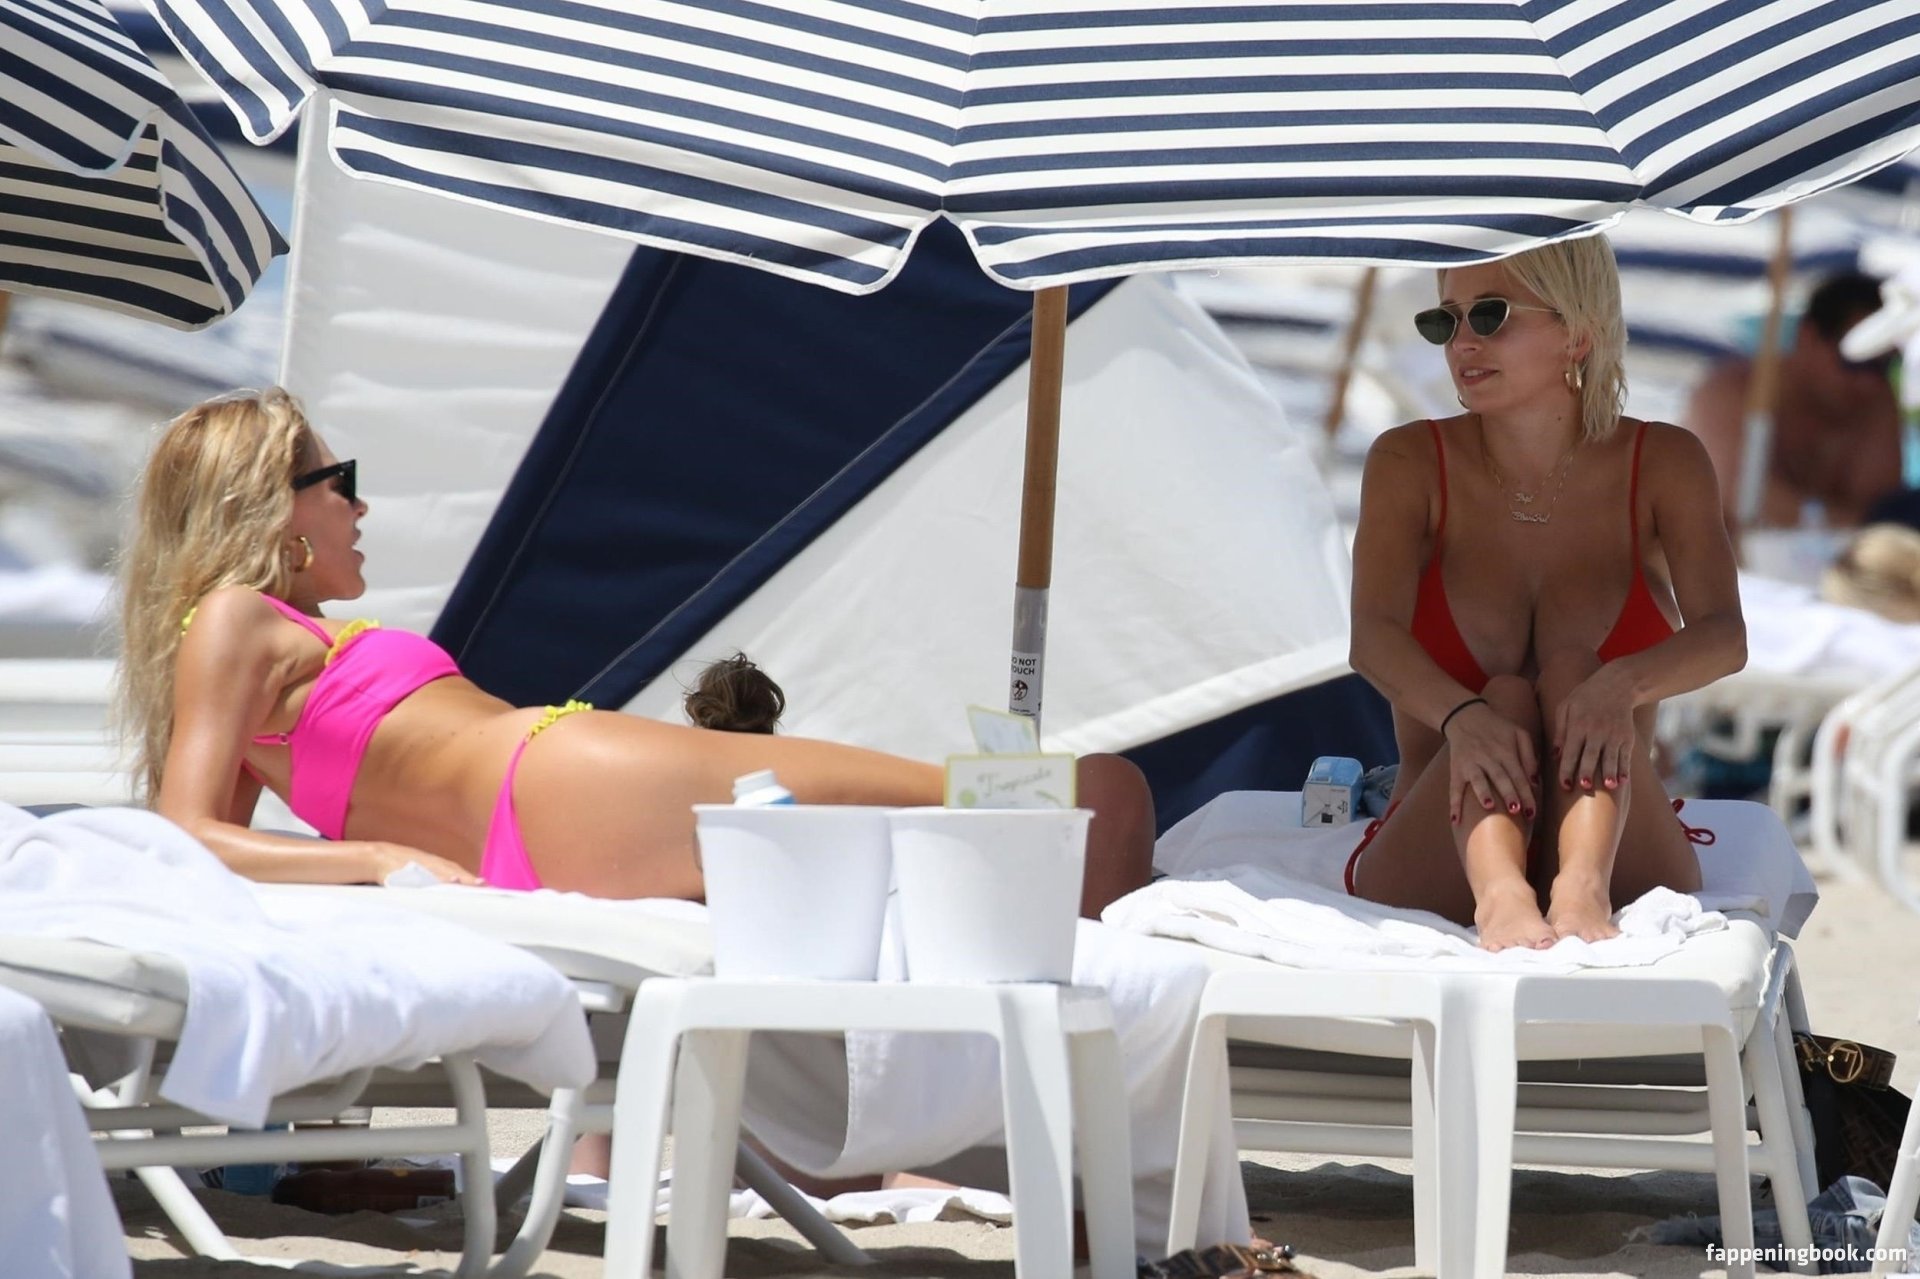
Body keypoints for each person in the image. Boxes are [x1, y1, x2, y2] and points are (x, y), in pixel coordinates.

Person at [116, 388, 1154, 916]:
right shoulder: (235, 617)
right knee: (1061, 795)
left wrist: (378, 860)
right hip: (559, 779)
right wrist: (378, 860)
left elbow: (215, 849)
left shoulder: (251, 643)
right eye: (338, 480)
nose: (359, 504)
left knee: (906, 858)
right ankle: (1086, 1076)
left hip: (536, 836)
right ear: (270, 505)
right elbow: (189, 835)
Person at [1346, 236, 1747, 951]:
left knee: (1575, 676)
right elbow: (1371, 638)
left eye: (1491, 315)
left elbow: (1725, 637)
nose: (1462, 342)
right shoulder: (1409, 462)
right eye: (1444, 320)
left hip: (1619, 850)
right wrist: (1463, 718)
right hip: (1442, 844)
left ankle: (1579, 882)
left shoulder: (1665, 462)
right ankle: (1502, 894)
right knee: (1501, 698)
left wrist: (1619, 687)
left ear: (1579, 332)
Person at [1683, 271, 1901, 532]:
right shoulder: (1732, 392)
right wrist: (1851, 522)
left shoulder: (1876, 403)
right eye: (1856, 361)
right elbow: (1735, 495)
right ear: (1809, 336)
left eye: (1885, 366)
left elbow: (1879, 507)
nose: (1869, 382)